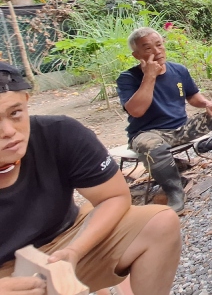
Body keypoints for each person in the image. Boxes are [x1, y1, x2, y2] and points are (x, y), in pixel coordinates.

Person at [0, 63, 181, 294]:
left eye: (15, 113)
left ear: (26, 100)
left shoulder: (59, 133)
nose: (8, 131)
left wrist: (76, 250)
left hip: (65, 238)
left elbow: (113, 196)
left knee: (160, 223)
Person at [117, 27, 212, 214]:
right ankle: (174, 191)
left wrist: (208, 103)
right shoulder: (128, 78)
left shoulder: (178, 70)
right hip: (148, 133)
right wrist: (150, 75)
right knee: (152, 146)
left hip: (181, 127)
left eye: (159, 45)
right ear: (136, 55)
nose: (157, 52)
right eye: (148, 48)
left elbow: (193, 97)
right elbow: (137, 110)